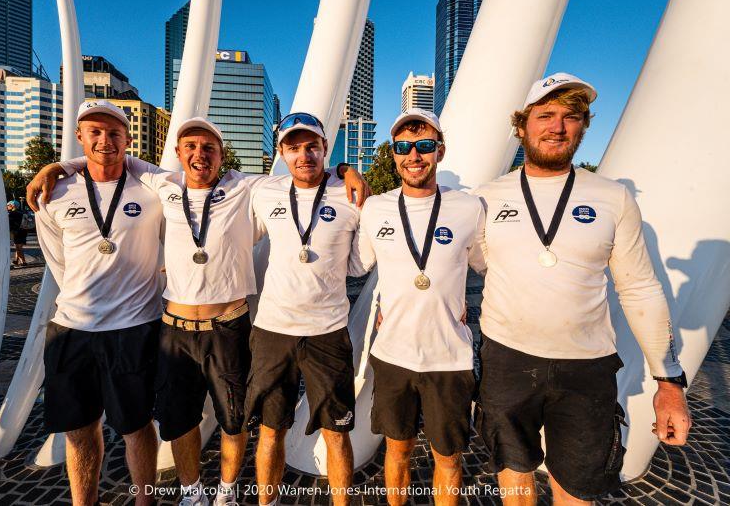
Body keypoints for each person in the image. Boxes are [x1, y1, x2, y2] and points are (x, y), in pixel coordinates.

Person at [27, 115, 369, 506]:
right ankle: (192, 491)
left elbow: (306, 173)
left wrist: (347, 168)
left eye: (209, 148)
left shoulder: (247, 187)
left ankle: (226, 491)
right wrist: (56, 166)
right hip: (175, 330)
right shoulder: (163, 183)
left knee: (234, 418)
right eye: (189, 147)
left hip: (229, 326)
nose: (199, 155)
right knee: (179, 420)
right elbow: (111, 157)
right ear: (177, 154)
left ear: (223, 155)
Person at [472, 73, 691, 504]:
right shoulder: (486, 197)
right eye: (545, 115)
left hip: (586, 366)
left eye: (571, 117)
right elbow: (471, 262)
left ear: (584, 125)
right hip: (506, 359)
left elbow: (640, 288)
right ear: (522, 126)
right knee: (513, 478)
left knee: (577, 490)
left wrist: (669, 383)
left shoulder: (613, 198)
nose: (557, 126)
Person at [33, 100, 163, 506]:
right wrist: (59, 167)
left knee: (137, 425)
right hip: (73, 328)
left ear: (128, 138)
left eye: (114, 133)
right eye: (95, 132)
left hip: (134, 327)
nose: (105, 140)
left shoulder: (152, 188)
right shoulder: (53, 193)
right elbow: (58, 260)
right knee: (78, 428)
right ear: (79, 137)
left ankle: (145, 501)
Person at [356, 109, 485, 506]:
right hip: (393, 354)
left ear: (439, 152)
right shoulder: (376, 208)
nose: (414, 155)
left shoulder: (469, 207)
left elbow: (488, 266)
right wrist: (344, 170)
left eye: (424, 145)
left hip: (450, 358)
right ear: (394, 154)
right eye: (404, 147)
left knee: (448, 458)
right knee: (397, 450)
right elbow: (358, 265)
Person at [245, 112, 367, 506]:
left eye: (312, 146)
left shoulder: (350, 196)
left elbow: (360, 263)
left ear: (325, 150)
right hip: (273, 332)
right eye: (294, 147)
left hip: (327, 333)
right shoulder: (263, 190)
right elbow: (201, 183)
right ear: (281, 152)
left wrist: (348, 171)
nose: (304, 155)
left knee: (337, 432)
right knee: (270, 429)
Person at [7, 200, 27, 267]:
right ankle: (16, 261)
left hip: (16, 232)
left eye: (8, 205)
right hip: (23, 231)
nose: (7, 206)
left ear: (12, 206)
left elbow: (9, 224)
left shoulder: (12, 214)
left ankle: (23, 262)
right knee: (19, 247)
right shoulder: (22, 212)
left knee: (18, 248)